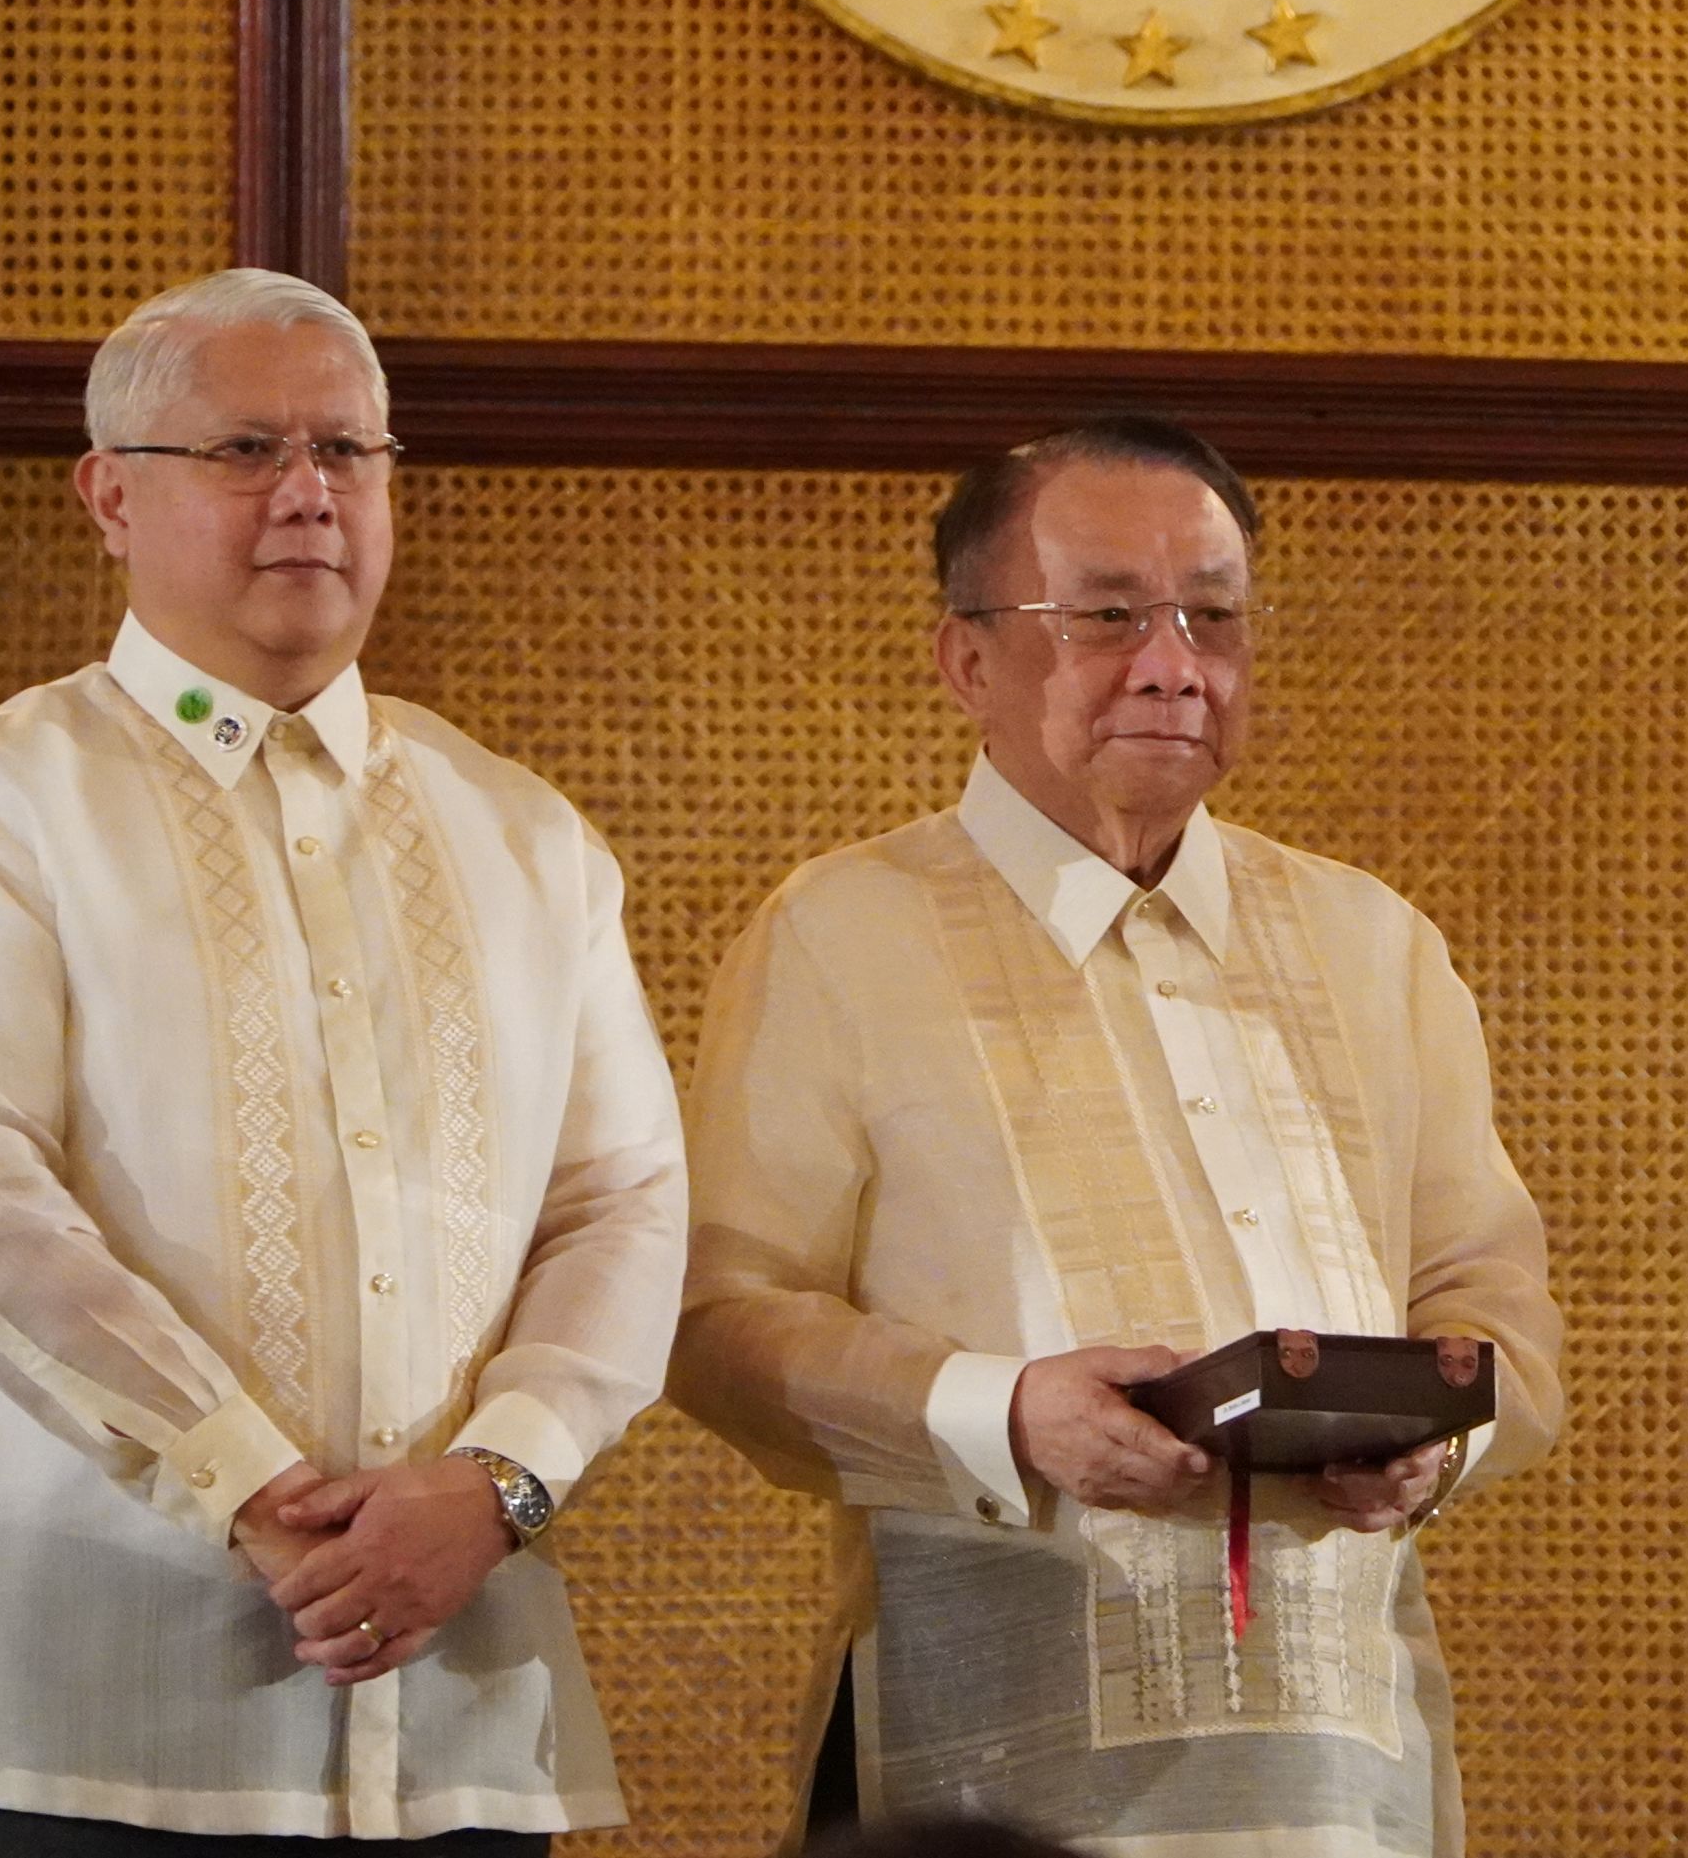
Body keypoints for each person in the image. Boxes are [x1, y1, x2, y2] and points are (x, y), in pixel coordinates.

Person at [0, 268, 690, 1851]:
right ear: (110, 496)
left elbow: (625, 1200)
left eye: (349, 453)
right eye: (245, 451)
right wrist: (245, 1488)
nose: (309, 495)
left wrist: (501, 1481)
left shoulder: (523, 831)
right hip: (98, 1705)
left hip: (458, 1702)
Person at [669, 418, 1563, 1858]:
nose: (1173, 662)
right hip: (993, 1746)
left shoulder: (1372, 940)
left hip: (1337, 1764)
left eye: (1213, 616)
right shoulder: (839, 933)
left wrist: (1432, 1449)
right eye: (1107, 616)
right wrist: (1007, 1412)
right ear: (967, 659)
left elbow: (1497, 1308)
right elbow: (715, 1320)